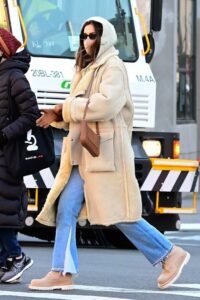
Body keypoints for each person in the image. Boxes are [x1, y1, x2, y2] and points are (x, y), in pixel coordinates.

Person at [29, 17, 190, 291]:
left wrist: (63, 110)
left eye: (93, 36)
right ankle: (62, 270)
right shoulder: (88, 67)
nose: (87, 41)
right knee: (67, 208)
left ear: (105, 38)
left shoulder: (113, 66)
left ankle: (169, 254)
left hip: (105, 154)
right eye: (84, 36)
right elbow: (82, 108)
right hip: (85, 153)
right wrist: (59, 113)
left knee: (117, 214)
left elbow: (104, 105)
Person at [0, 28, 40, 283]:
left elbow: (31, 114)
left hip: (8, 153)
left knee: (4, 208)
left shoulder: (14, 77)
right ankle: (7, 261)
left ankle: (16, 257)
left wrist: (4, 135)